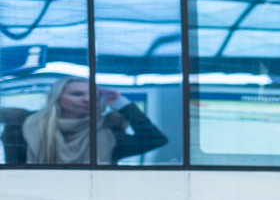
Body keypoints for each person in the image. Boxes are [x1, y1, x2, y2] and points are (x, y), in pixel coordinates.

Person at [2, 76, 168, 165]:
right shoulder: (22, 128)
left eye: (93, 96)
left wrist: (119, 102)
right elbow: (15, 169)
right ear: (57, 98)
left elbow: (154, 140)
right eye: (77, 94)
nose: (87, 100)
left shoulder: (108, 132)